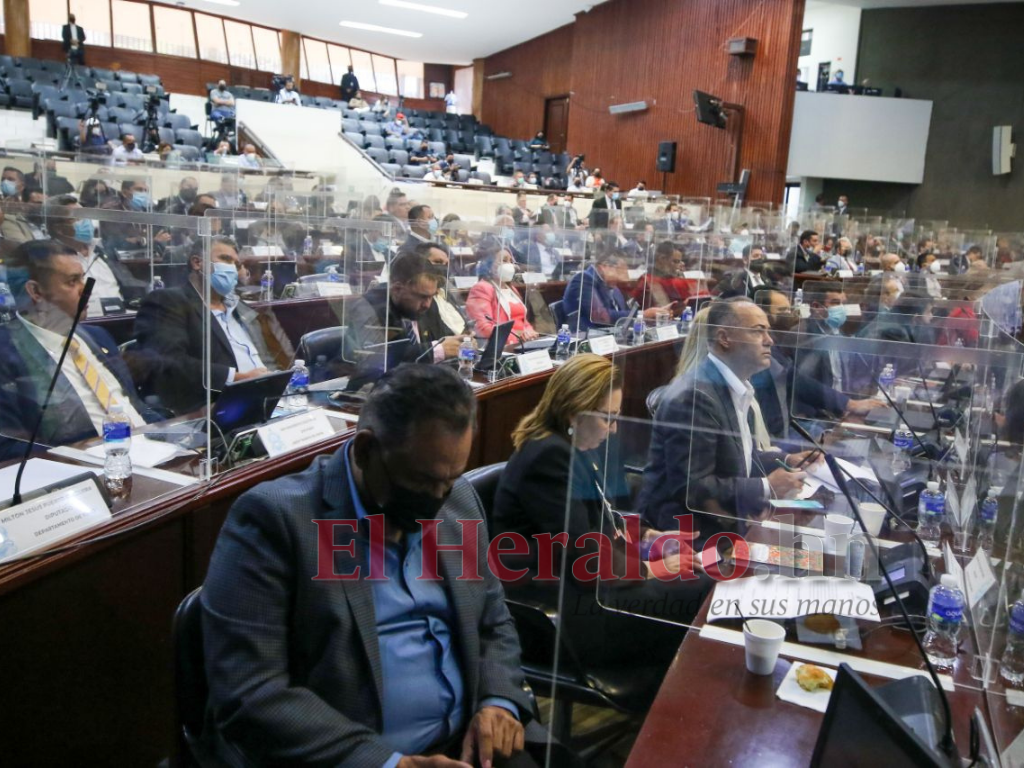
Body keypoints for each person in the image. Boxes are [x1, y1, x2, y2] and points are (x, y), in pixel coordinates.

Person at [200, 363, 538, 767]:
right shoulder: (276, 520)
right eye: (422, 483)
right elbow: (251, 693)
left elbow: (493, 618)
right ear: (365, 450)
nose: (437, 501)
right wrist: (389, 763)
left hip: (471, 744)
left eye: (449, 481)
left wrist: (499, 699)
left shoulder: (458, 501)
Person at [494, 354, 709, 665]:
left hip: (588, 583)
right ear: (573, 413)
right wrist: (653, 569)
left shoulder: (569, 447)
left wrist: (647, 536)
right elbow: (584, 555)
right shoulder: (549, 458)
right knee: (699, 588)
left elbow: (596, 515)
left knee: (698, 577)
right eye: (607, 417)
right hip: (563, 607)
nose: (613, 429)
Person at [637, 298, 812, 539]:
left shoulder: (738, 388)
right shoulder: (695, 398)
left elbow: (739, 457)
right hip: (686, 537)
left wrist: (786, 459)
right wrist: (766, 486)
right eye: (758, 331)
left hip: (726, 521)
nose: (769, 340)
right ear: (724, 338)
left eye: (768, 332)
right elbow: (693, 488)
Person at [0, 240, 157, 461]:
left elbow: (135, 407)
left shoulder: (97, 336)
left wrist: (174, 431)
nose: (86, 290)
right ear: (36, 292)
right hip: (82, 472)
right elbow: (9, 448)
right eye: (73, 281)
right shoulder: (6, 353)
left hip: (152, 452)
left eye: (83, 278)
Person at [133, 235, 293, 415]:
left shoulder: (241, 307)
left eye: (236, 264)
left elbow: (273, 355)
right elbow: (169, 361)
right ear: (197, 263)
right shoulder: (168, 301)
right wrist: (239, 379)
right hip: (215, 407)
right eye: (225, 259)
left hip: (270, 400)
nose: (232, 268)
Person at [752, 289, 882, 439]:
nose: (790, 314)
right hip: (803, 421)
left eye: (789, 308)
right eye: (783, 310)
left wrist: (851, 404)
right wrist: (844, 409)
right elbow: (797, 382)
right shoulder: (801, 337)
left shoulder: (839, 332)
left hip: (828, 413)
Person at [342, 250, 464, 369]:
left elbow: (444, 337)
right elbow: (375, 358)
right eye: (422, 297)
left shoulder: (427, 303)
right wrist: (435, 351)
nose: (427, 304)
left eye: (432, 296)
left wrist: (460, 342)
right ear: (397, 289)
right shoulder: (367, 308)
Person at [48, 197, 147, 315]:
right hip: (84, 323)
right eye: (78, 218)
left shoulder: (102, 249)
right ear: (59, 229)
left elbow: (129, 283)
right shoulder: (53, 259)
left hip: (123, 317)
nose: (85, 221)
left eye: (85, 215)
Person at [564, 249, 670, 330]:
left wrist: (654, 314)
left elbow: (625, 314)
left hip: (612, 335)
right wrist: (643, 315)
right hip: (587, 339)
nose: (626, 272)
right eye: (622, 268)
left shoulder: (613, 286)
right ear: (605, 266)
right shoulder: (583, 280)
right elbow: (601, 318)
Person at [466, 245, 539, 344]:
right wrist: (518, 335)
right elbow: (482, 327)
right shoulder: (482, 288)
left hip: (522, 342)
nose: (509, 265)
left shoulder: (511, 289)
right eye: (504, 260)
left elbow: (523, 321)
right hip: (502, 345)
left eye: (510, 261)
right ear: (489, 265)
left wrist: (530, 332)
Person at [631, 240, 701, 314]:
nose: (678, 266)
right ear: (662, 259)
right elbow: (663, 311)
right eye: (675, 262)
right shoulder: (648, 282)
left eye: (679, 262)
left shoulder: (672, 279)